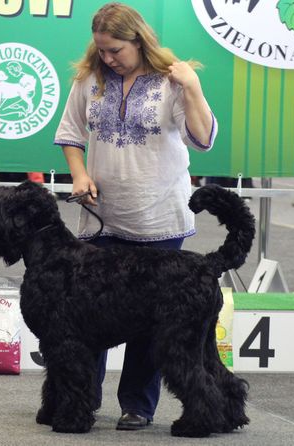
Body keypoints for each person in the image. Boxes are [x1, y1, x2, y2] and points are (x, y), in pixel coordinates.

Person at [53, 2, 218, 431]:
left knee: (152, 322)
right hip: (101, 217)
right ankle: (81, 402)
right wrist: (80, 173)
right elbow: (70, 133)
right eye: (102, 50)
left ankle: (138, 406)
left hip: (159, 217)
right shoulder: (89, 80)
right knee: (89, 316)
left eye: (115, 50)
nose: (107, 58)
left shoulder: (172, 81)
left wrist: (194, 88)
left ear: (139, 40)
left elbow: (203, 140)